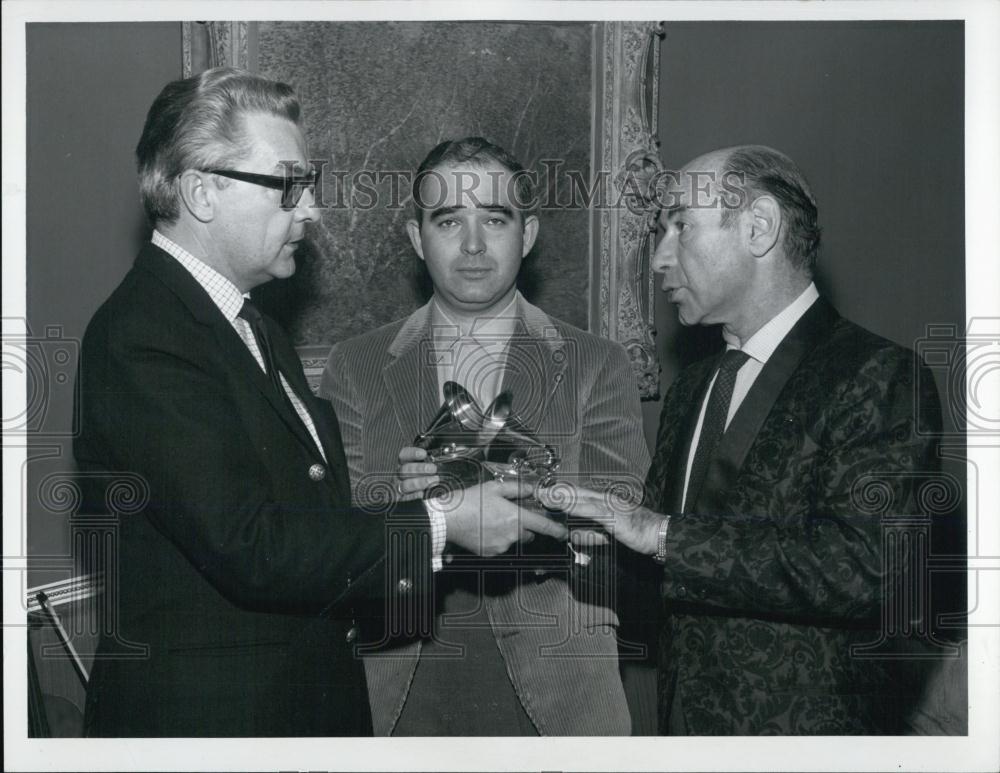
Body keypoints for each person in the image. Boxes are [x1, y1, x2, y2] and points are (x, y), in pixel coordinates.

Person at [73, 71, 563, 737]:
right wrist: (445, 520)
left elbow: (309, 520)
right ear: (199, 191)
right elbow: (255, 547)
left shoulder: (251, 326)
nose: (310, 211)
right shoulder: (144, 336)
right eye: (287, 186)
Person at [540, 145, 942, 734]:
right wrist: (571, 532)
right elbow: (672, 576)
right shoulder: (694, 387)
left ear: (758, 228)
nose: (658, 258)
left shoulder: (879, 375)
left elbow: (867, 568)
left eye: (680, 225)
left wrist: (658, 532)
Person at [319, 137, 650, 735]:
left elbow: (623, 537)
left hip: (560, 680)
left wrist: (518, 492)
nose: (473, 244)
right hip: (403, 671)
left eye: (495, 220)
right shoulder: (357, 363)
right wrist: (406, 504)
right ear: (418, 240)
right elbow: (330, 537)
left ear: (527, 235)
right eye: (449, 221)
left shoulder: (597, 361)